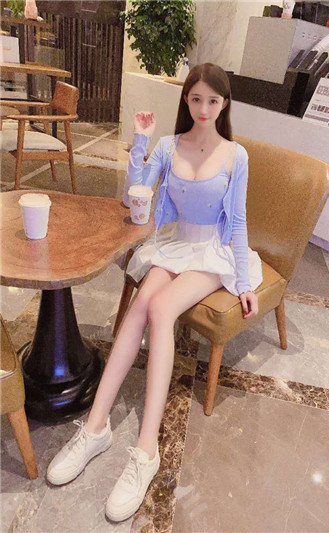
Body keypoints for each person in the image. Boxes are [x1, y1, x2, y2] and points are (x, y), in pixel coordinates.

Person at [46, 62, 263, 522]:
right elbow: (134, 198)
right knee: (142, 303)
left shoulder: (235, 155)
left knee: (161, 307)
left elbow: (239, 222)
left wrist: (244, 282)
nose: (203, 108)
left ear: (224, 104)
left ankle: (147, 450)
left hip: (212, 252)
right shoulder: (169, 145)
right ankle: (95, 427)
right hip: (175, 244)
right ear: (186, 99)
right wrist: (141, 142)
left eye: (213, 100)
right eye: (196, 98)